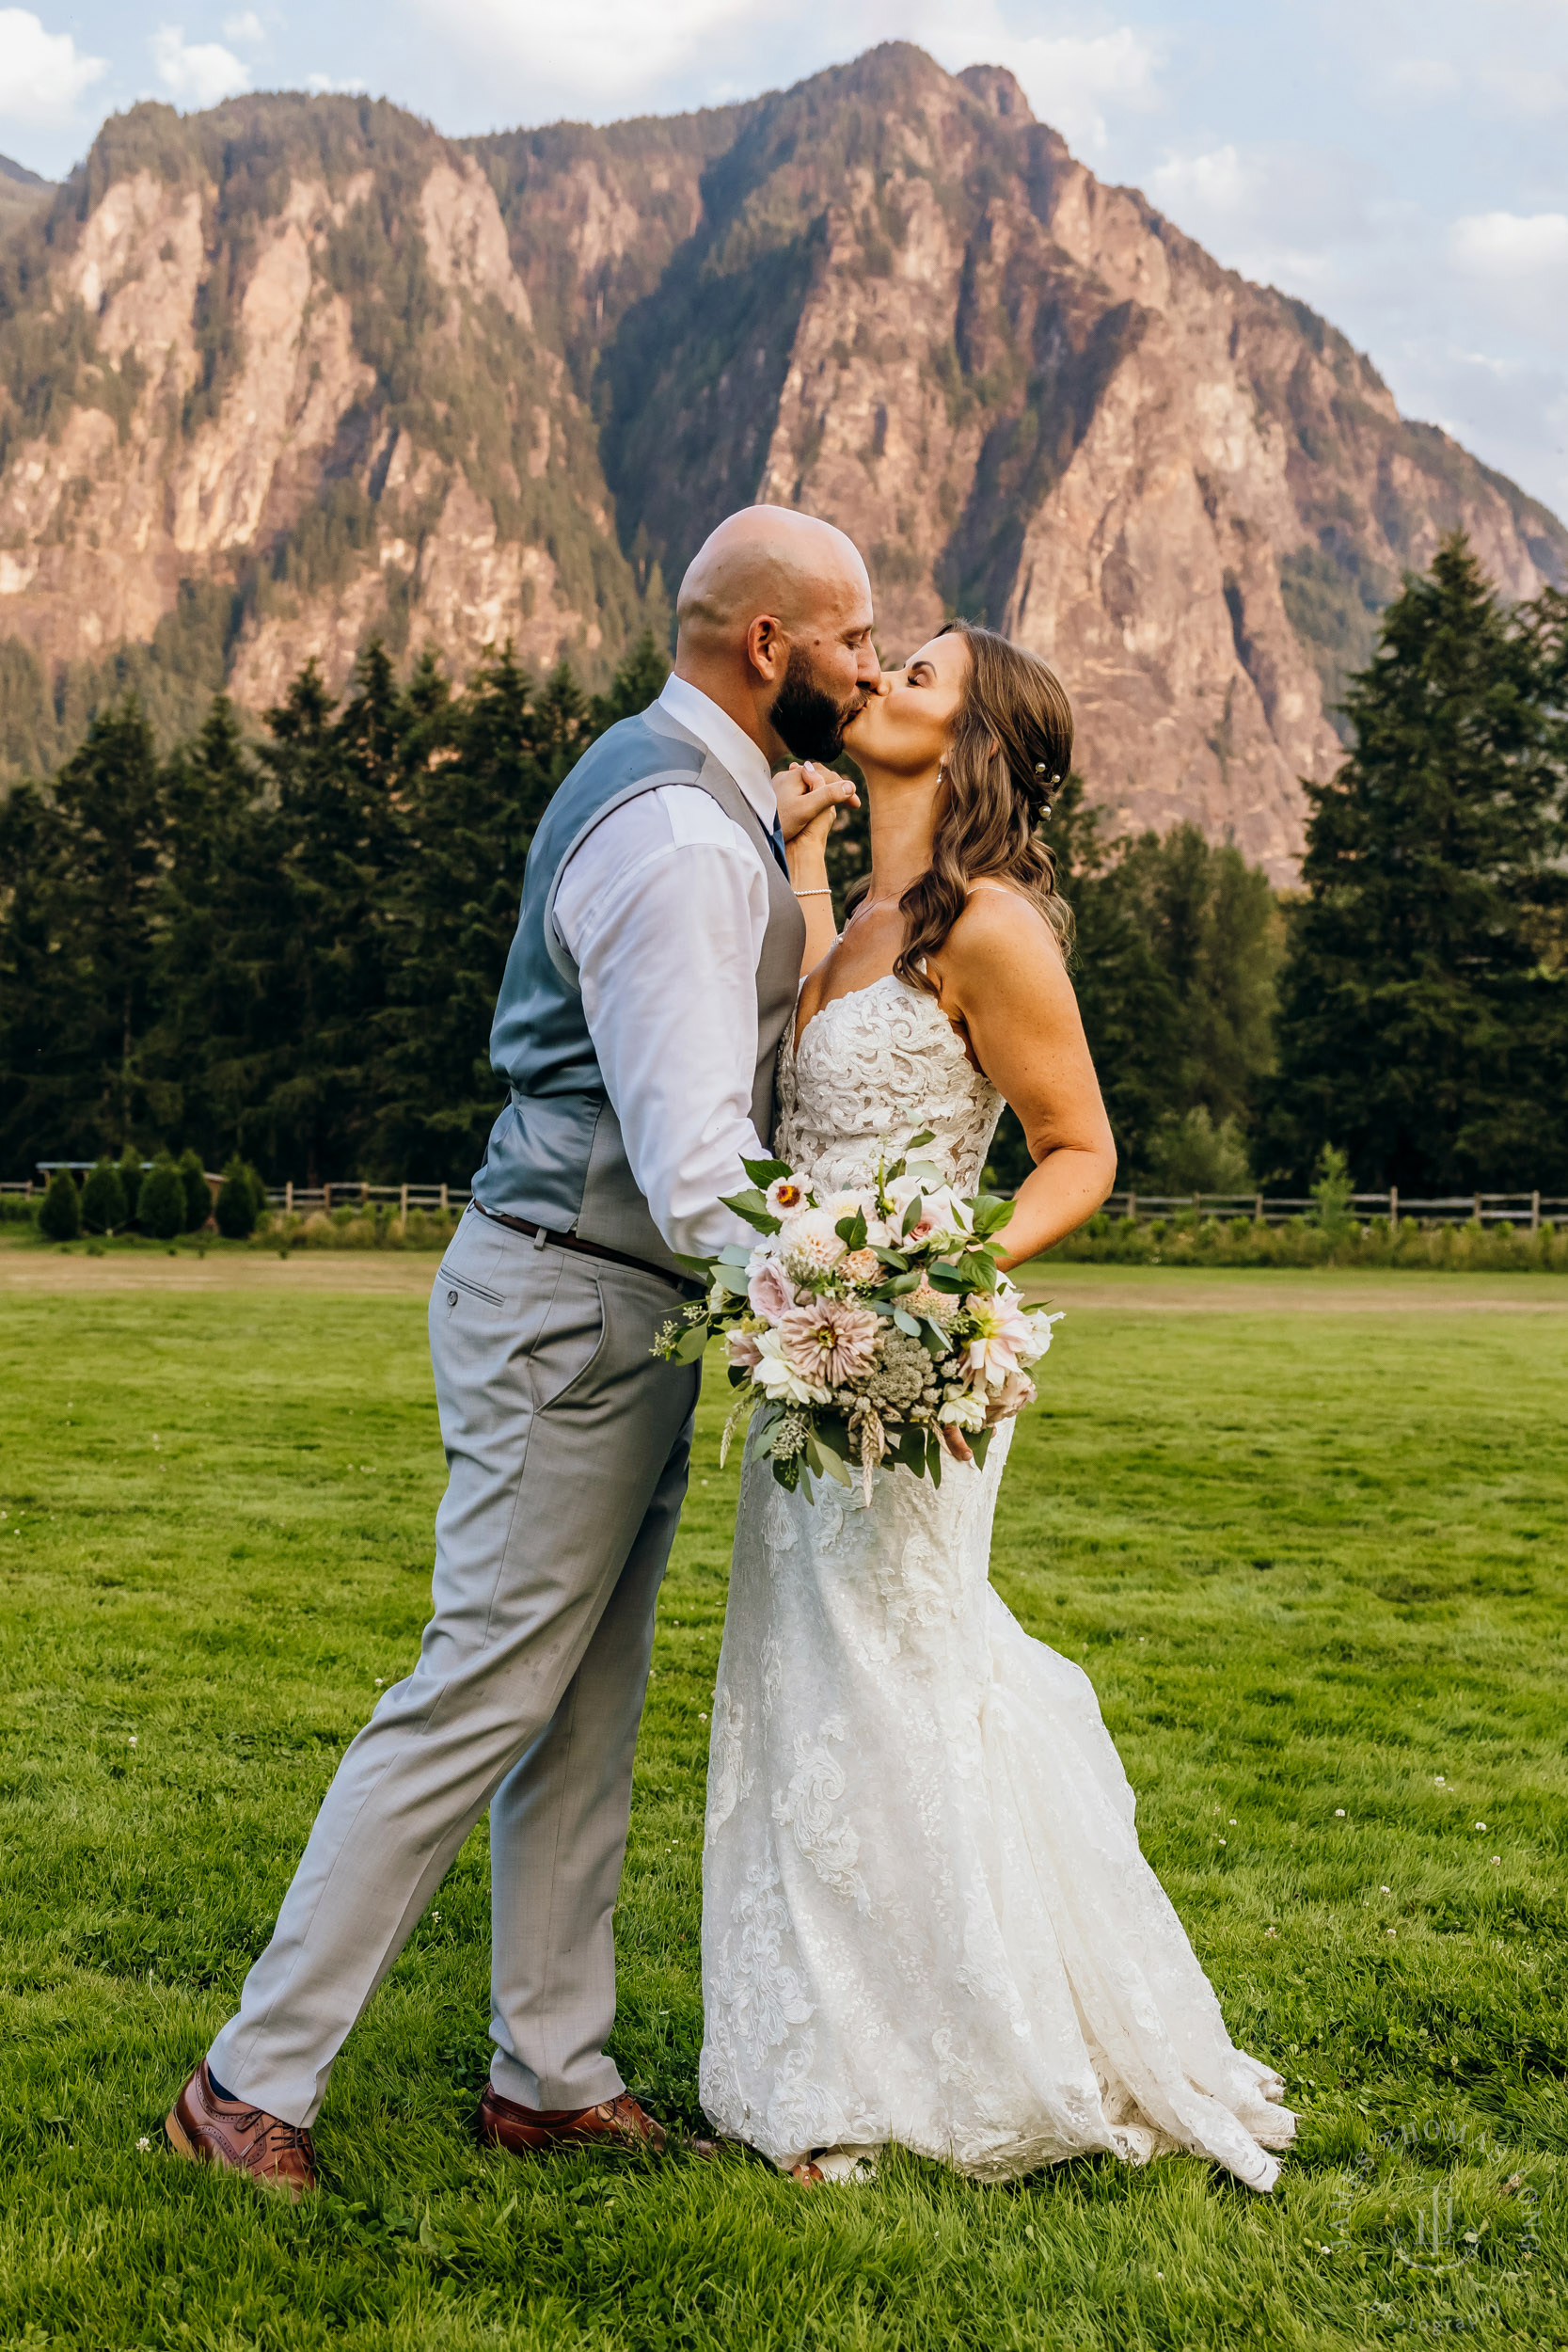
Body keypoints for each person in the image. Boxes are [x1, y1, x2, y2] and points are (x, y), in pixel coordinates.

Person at [166, 506, 876, 2195]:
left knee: (581, 1713)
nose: (867, 660)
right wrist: (857, 1313)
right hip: (575, 1302)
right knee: (479, 1691)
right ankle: (246, 2087)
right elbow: (699, 1161)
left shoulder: (690, 799)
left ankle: (550, 2074)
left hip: (613, 1307)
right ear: (767, 646)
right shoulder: (682, 843)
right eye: (851, 633)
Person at [699, 621, 1296, 2191]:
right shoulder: (865, 916)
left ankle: (953, 2046)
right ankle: (826, 2043)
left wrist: (931, 1275)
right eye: (891, 660)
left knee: (895, 1673)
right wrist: (810, 863)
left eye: (922, 676)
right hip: (807, 1355)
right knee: (805, 1678)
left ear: (972, 745)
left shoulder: (997, 925)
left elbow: (1079, 1148)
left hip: (917, 1362)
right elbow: (824, 1086)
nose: (885, 675)